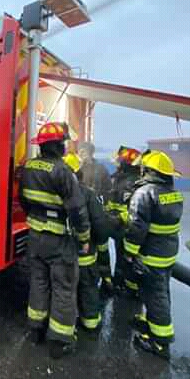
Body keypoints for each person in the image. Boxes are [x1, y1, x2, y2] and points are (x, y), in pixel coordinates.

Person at [19, 122, 91, 359]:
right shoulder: (63, 172)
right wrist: (84, 238)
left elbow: (24, 201)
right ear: (60, 146)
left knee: (38, 282)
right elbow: (77, 210)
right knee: (63, 287)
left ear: (41, 146)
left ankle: (35, 330)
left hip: (35, 236)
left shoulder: (28, 167)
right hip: (59, 240)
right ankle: (59, 343)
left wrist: (36, 217)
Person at [123, 150, 183, 360]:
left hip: (151, 254)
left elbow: (136, 227)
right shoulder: (174, 193)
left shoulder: (144, 193)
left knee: (155, 295)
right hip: (167, 254)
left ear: (150, 170)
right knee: (161, 291)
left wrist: (129, 252)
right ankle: (151, 324)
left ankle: (159, 342)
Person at [64, 152, 113, 332]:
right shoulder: (88, 194)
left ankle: (65, 324)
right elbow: (99, 225)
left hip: (62, 253)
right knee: (87, 288)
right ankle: (90, 322)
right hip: (84, 255)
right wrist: (101, 242)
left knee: (63, 290)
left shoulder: (56, 192)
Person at [106, 146, 142, 293]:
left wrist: (119, 218)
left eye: (120, 161)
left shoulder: (136, 183)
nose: (117, 163)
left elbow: (136, 210)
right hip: (115, 225)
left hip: (126, 227)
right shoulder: (116, 177)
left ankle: (129, 287)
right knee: (120, 255)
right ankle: (119, 282)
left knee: (127, 258)